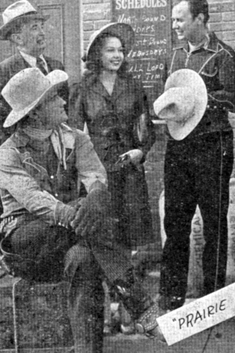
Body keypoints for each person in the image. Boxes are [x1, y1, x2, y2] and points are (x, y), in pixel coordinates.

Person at [0, 67, 165, 352]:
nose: (63, 102)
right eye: (53, 99)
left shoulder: (74, 138)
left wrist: (96, 196)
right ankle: (142, 307)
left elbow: (95, 174)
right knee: (88, 227)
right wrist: (81, 211)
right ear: (34, 113)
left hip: (74, 235)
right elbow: (35, 200)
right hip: (27, 240)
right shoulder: (8, 154)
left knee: (82, 258)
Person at [158, 0, 235, 311]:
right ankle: (170, 300)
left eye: (180, 19)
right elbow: (165, 96)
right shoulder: (174, 56)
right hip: (178, 148)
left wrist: (204, 100)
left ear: (200, 19)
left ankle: (213, 301)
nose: (175, 25)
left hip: (213, 147)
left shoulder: (224, 55)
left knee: (214, 224)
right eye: (172, 20)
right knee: (175, 224)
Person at [68, 22, 156, 332]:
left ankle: (129, 313)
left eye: (120, 50)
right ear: (97, 54)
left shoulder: (133, 86)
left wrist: (140, 152)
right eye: (110, 50)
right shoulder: (82, 88)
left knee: (130, 240)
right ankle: (107, 311)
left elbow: (148, 130)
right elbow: (73, 133)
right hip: (97, 176)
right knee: (104, 240)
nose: (117, 55)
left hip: (129, 173)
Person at [0, 0, 67, 246]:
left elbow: (65, 117)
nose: (42, 32)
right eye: (33, 28)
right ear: (17, 38)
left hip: (57, 159)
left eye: (41, 25)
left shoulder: (56, 67)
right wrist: (14, 163)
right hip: (22, 163)